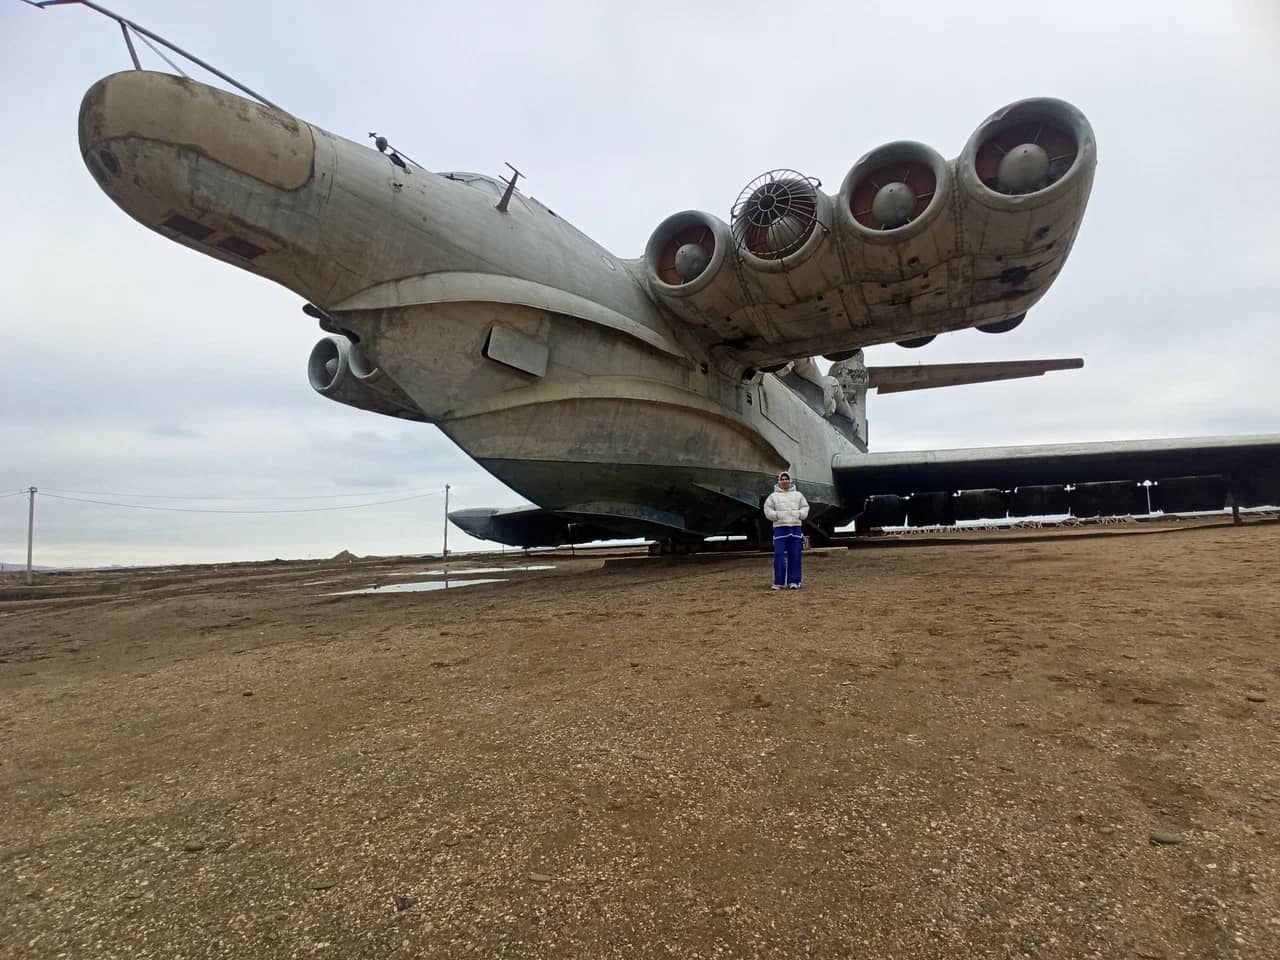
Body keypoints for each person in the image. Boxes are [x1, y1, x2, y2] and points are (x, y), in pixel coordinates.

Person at [763, 471, 808, 589]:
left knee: (795, 555)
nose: (784, 481)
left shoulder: (798, 495)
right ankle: (779, 582)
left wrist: (800, 514)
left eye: (786, 479)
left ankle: (794, 581)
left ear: (790, 480)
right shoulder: (773, 496)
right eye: (782, 479)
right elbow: (767, 509)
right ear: (779, 481)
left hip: (795, 527)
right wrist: (776, 516)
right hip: (780, 528)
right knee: (778, 554)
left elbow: (805, 507)